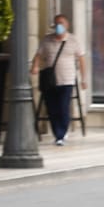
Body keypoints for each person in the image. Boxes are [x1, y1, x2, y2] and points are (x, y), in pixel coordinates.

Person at [31, 13, 85, 146]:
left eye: (62, 23)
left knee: (63, 107)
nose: (59, 26)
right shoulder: (47, 40)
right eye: (57, 23)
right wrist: (35, 66)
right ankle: (57, 133)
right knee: (52, 108)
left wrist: (84, 79)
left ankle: (61, 134)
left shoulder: (73, 40)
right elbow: (38, 55)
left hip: (67, 79)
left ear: (67, 25)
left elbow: (82, 59)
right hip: (50, 80)